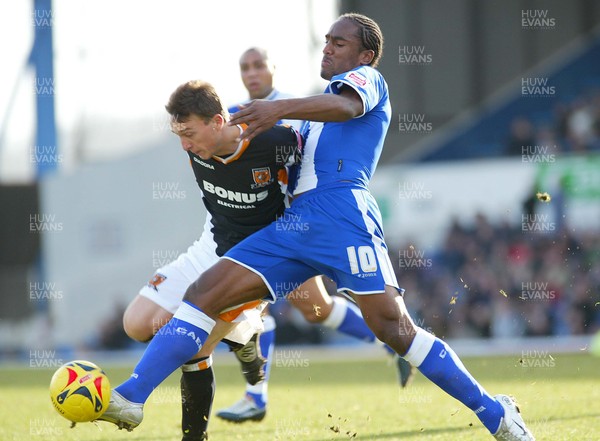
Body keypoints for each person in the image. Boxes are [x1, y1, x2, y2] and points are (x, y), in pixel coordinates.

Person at [102, 13, 535, 440]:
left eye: (339, 42)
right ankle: (131, 397)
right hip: (292, 223)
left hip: (342, 212)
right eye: (326, 39)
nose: (327, 46)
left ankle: (495, 414)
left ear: (365, 55)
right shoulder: (307, 109)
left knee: (394, 328)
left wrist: (277, 108)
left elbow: (346, 107)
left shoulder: (367, 81)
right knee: (203, 293)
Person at [217, 46, 414, 424]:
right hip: (264, 223)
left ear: (274, 68)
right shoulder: (237, 112)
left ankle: (255, 395)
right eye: (245, 67)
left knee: (255, 303)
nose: (252, 72)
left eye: (260, 64)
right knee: (315, 309)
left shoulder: (297, 109)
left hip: (297, 222)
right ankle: (390, 343)